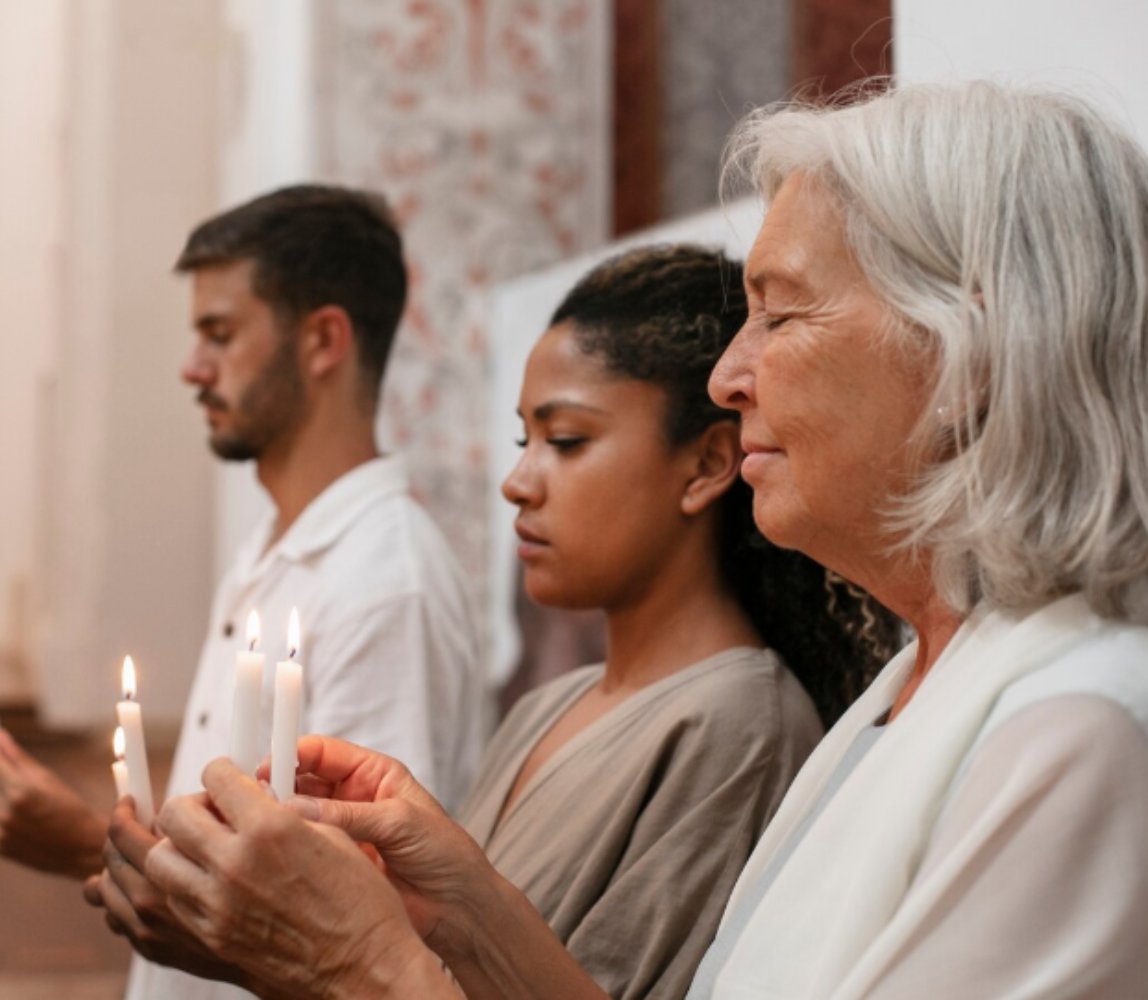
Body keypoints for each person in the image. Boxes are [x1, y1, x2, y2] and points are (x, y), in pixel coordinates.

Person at [82, 81, 1148, 998]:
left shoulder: (1080, 728)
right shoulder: (914, 682)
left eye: (781, 317)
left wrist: (360, 963)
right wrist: (460, 905)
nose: (731, 379)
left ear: (964, 354)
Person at [88, 245, 897, 998]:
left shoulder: (738, 722)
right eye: (523, 438)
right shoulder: (555, 703)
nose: (518, 482)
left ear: (709, 463)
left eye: (566, 440)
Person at [0, 184, 485, 999]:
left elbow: (358, 924)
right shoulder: (271, 546)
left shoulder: (387, 585)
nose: (192, 368)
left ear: (323, 341)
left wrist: (87, 842)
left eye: (221, 334)